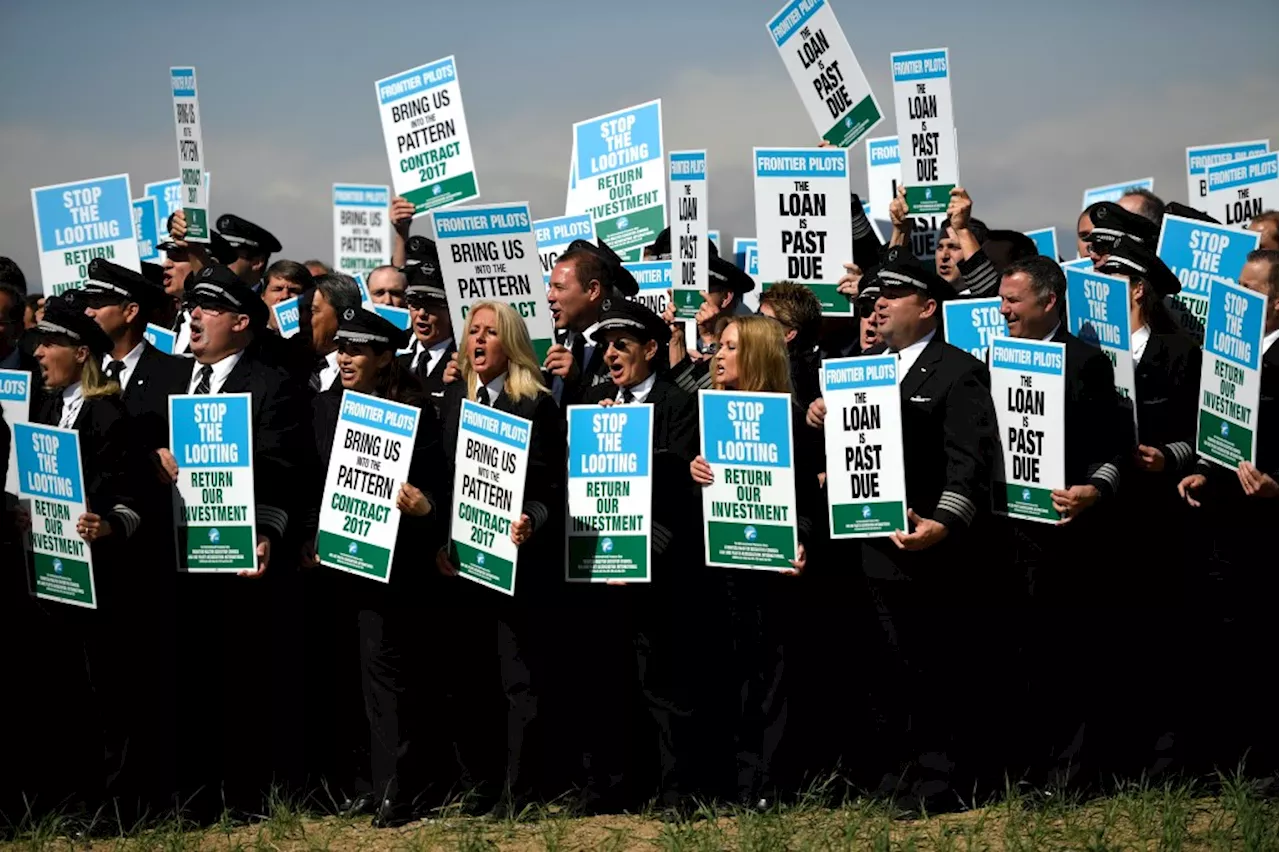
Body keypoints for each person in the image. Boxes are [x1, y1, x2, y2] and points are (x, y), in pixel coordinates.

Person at [806, 248, 1001, 804]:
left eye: (892, 295)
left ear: (930, 307)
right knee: (882, 666)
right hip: (863, 544)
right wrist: (820, 416)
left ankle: (942, 779)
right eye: (874, 297)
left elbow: (970, 460)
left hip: (924, 548)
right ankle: (896, 772)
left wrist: (945, 521)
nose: (879, 305)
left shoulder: (958, 370)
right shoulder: (859, 370)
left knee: (931, 665)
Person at [157, 264, 310, 820]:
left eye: (210, 308)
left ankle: (248, 798)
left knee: (242, 680)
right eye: (192, 307)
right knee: (187, 679)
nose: (194, 315)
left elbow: (288, 467)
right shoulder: (171, 379)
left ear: (242, 322)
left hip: (242, 558)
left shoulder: (273, 385)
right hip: (178, 555)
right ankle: (191, 799)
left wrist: (268, 526)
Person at [308, 308, 449, 827]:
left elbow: (438, 485)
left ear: (385, 357)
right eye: (341, 348)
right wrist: (308, 536)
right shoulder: (325, 406)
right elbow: (312, 479)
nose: (345, 357)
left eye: (358, 350)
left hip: (395, 569)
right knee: (350, 677)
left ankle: (401, 788)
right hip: (335, 564)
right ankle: (365, 784)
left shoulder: (412, 409)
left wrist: (423, 507)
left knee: (389, 677)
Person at [997, 256, 1124, 788]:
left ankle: (1072, 773)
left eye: (1013, 301)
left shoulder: (1086, 361)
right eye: (1001, 300)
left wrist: (1093, 491)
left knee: (1068, 651)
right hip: (1012, 532)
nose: (1003, 311)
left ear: (1049, 302)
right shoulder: (997, 356)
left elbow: (1110, 444)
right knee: (1024, 653)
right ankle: (1031, 763)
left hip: (1064, 534)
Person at [572, 299, 702, 814]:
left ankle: (676, 791)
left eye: (621, 345)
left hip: (660, 568)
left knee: (664, 685)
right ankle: (609, 786)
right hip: (600, 566)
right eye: (605, 346)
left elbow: (682, 493)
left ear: (651, 348)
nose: (610, 355)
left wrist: (645, 554)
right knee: (605, 681)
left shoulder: (676, 402)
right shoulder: (594, 396)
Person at [436, 301, 566, 815]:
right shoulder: (452, 400)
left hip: (518, 568)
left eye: (491, 332)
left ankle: (521, 792)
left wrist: (531, 519)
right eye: (474, 331)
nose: (480, 340)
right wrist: (439, 543)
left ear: (510, 342)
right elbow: (442, 481)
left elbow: (555, 487)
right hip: (461, 566)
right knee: (469, 682)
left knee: (518, 683)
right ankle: (480, 786)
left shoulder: (536, 405)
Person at [688, 314, 819, 809]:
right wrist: (691, 469)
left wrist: (801, 542)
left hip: (769, 571)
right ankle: (726, 783)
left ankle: (768, 786)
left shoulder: (788, 418)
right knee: (721, 676)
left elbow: (807, 500)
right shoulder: (700, 412)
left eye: (730, 347)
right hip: (712, 571)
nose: (718, 355)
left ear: (759, 355)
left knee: (767, 678)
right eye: (718, 346)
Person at [30, 292, 148, 820]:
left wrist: (109, 525)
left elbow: (135, 499)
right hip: (57, 579)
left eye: (49, 343)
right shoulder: (51, 408)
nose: (37, 353)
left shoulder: (107, 412)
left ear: (80, 353)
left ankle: (113, 806)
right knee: (68, 694)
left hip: (103, 583)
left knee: (107, 696)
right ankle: (75, 797)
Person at [1091, 240, 1201, 777]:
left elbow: (1203, 432)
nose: (1097, 276)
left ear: (1136, 288)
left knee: (1160, 634)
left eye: (1110, 272)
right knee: (1112, 636)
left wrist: (1171, 457)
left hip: (1158, 513)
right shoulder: (1088, 349)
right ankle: (1118, 753)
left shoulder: (1177, 350)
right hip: (1105, 513)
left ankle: (1167, 759)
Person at [1176, 248, 1280, 775]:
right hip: (1225, 527)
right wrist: (1205, 471)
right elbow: (1222, 434)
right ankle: (1233, 758)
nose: (1240, 296)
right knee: (1228, 645)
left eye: (1254, 289)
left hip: (1269, 531)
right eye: (1237, 284)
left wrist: (1277, 488)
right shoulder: (1226, 353)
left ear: (1278, 303)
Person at [544, 239, 639, 407]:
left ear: (593, 290)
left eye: (559, 288)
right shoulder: (547, 347)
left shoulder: (626, 349)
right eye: (550, 287)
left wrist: (576, 380)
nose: (550, 297)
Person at [397, 260, 454, 414]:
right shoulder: (397, 361)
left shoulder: (461, 365)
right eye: (415, 303)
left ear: (450, 309)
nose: (421, 313)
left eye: (432, 304)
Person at [758, 281, 823, 406]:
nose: (754, 324)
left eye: (764, 320)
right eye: (757, 315)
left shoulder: (802, 383)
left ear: (789, 334)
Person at [305, 273, 364, 392]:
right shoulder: (289, 366)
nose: (302, 319)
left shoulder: (367, 374)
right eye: (300, 311)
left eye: (311, 311)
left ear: (343, 315)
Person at [261, 260, 312, 330]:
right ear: (263, 295)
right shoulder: (248, 336)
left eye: (293, 290)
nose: (285, 296)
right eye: (278, 289)